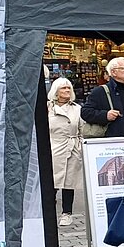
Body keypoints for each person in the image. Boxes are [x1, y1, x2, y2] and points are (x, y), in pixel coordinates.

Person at [47, 78, 84, 226]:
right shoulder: (48, 108)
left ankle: (67, 213)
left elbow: (82, 129)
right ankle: (48, 212)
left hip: (72, 147)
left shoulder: (77, 108)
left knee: (69, 182)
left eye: (69, 88)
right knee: (52, 182)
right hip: (54, 146)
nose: (67, 91)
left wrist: (79, 145)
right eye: (63, 88)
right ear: (56, 91)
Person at [81, 57, 124, 138]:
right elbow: (85, 112)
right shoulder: (100, 91)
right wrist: (105, 115)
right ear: (113, 72)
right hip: (112, 144)